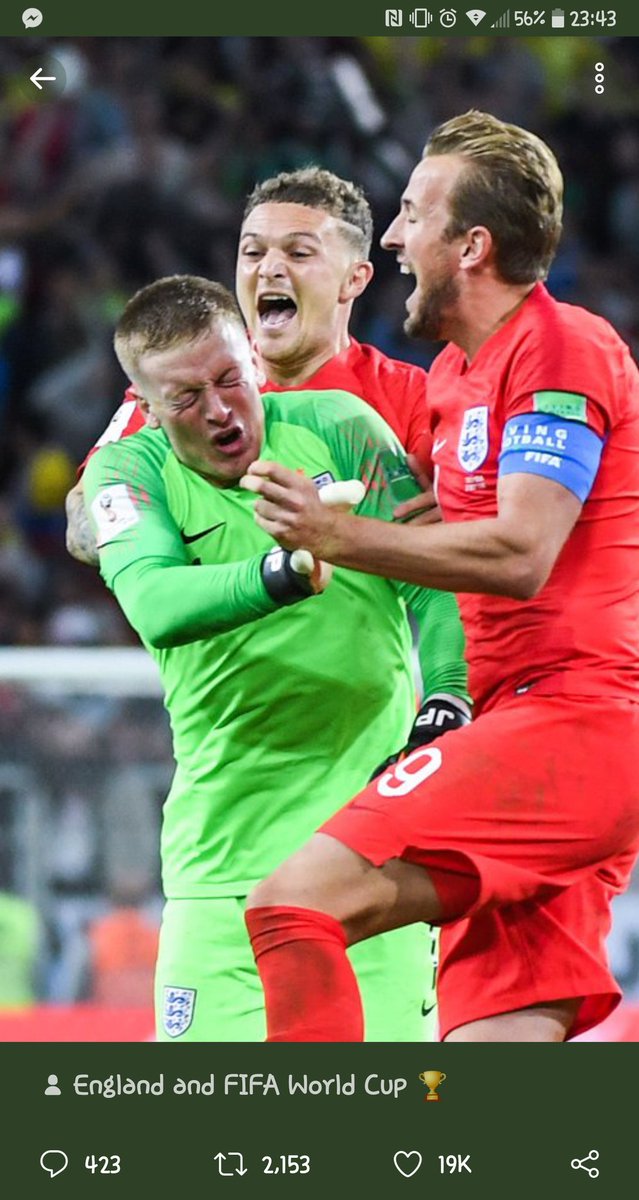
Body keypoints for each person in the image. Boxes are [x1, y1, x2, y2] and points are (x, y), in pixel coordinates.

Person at [242, 110, 639, 1043]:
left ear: (471, 244)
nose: (390, 234)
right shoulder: (458, 374)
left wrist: (336, 538)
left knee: (290, 905)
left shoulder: (561, 346)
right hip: (528, 732)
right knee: (489, 1073)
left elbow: (520, 553)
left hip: (575, 720)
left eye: (412, 214)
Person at [82, 274, 470, 1042]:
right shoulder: (128, 473)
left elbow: (433, 575)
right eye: (186, 398)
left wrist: (448, 693)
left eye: (230, 379)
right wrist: (284, 570)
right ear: (149, 411)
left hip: (372, 867)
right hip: (224, 874)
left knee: (381, 1143)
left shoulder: (341, 424)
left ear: (254, 364)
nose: (220, 410)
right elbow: (157, 605)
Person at [66, 167, 433, 566]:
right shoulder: (180, 390)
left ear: (354, 280)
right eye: (253, 252)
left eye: (298, 253)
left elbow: (460, 520)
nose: (269, 268)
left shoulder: (408, 397)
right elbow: (83, 515)